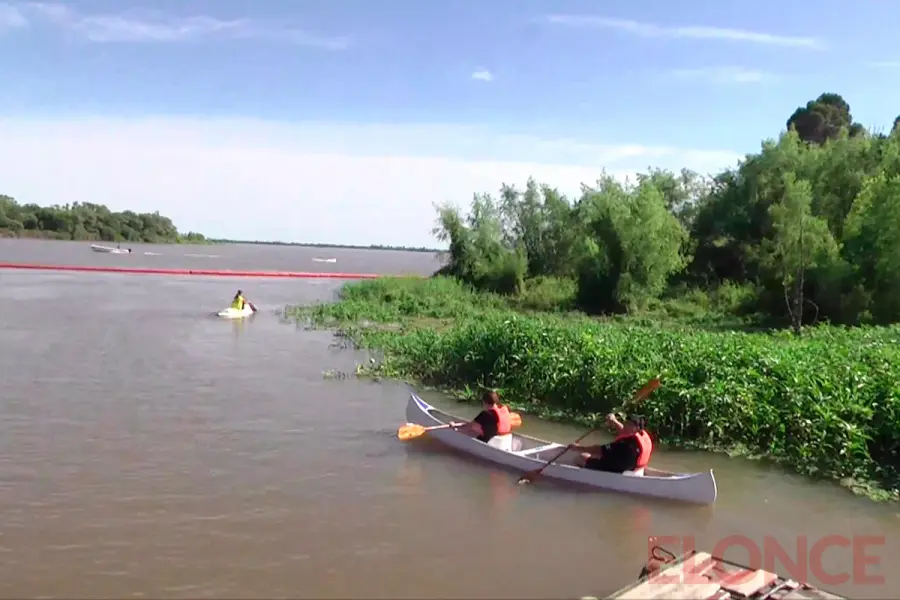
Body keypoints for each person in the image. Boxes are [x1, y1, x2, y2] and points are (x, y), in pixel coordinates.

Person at [570, 414, 653, 475]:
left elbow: (598, 450)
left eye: (629, 424)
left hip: (619, 469)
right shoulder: (642, 434)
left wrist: (577, 448)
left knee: (582, 457)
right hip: (635, 467)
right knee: (596, 455)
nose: (625, 425)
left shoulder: (625, 444)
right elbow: (624, 431)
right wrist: (614, 421)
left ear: (637, 428)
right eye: (626, 422)